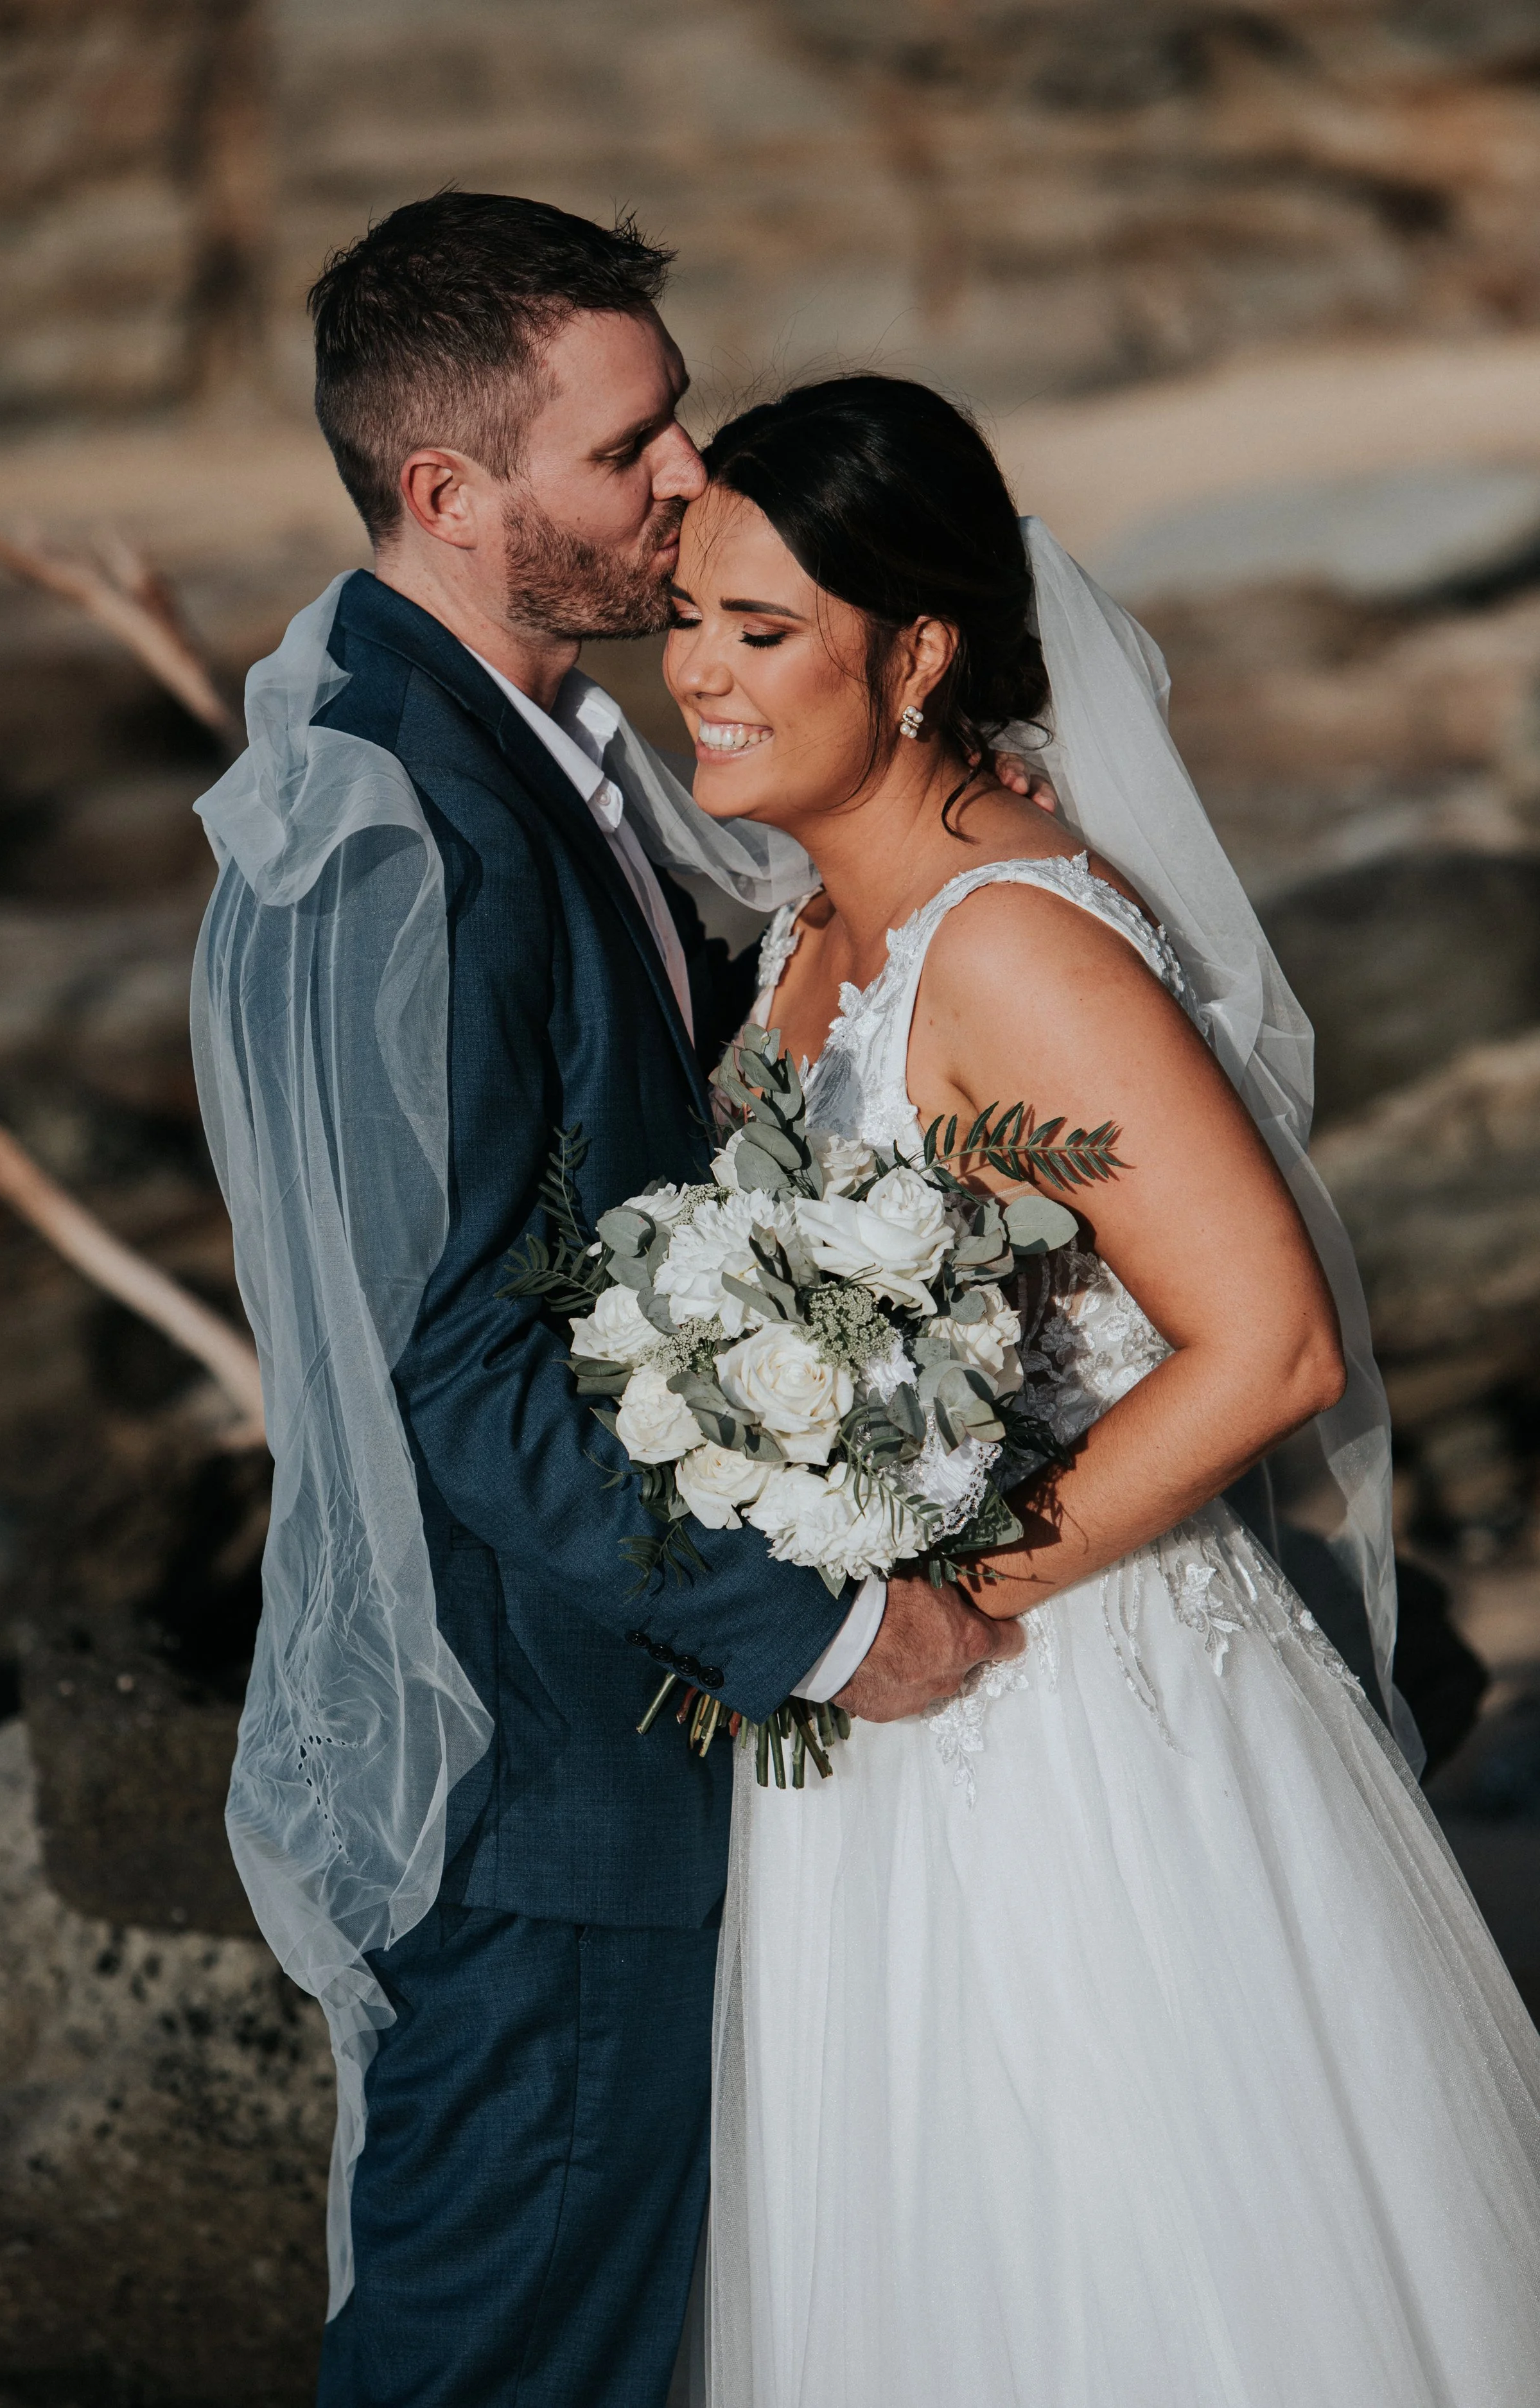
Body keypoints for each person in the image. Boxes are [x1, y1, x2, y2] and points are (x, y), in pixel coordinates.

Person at [191, 197, 1016, 2408]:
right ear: (447, 493)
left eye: (679, 418)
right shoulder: (412, 821)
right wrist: (820, 1627)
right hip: (535, 1768)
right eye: (628, 444)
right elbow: (442, 1350)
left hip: (598, 1745)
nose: (687, 475)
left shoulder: (521, 738)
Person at [662, 375, 1540, 2407]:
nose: (698, 672)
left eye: (760, 629)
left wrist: (962, 1588)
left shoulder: (1014, 948)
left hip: (1075, 1731)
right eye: (687, 620)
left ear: (920, 654)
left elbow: (1273, 1341)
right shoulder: (808, 929)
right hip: (867, 1723)